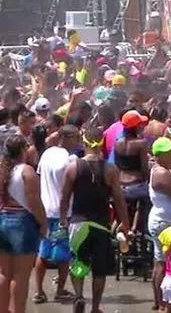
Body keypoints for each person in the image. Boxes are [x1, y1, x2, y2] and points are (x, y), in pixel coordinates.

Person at [59, 127, 131, 313]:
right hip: (101, 225)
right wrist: (125, 223)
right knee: (99, 269)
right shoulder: (110, 169)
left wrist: (62, 219)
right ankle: (96, 307)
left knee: (78, 262)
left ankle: (79, 295)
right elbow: (119, 200)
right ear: (102, 144)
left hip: (78, 223)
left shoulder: (73, 167)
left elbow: (64, 197)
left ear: (84, 142)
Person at [0, 135, 48, 313]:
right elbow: (34, 202)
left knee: (4, 272)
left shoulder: (2, 170)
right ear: (21, 150)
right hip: (22, 222)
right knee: (21, 275)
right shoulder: (26, 171)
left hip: (3, 219)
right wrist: (43, 224)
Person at [34, 125, 80, 304]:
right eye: (76, 137)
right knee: (64, 255)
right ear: (65, 138)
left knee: (43, 252)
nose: (79, 140)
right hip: (64, 213)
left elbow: (39, 177)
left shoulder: (47, 153)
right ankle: (60, 290)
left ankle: (38, 291)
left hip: (45, 210)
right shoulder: (71, 159)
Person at [148, 137, 171, 311]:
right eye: (170, 153)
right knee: (164, 263)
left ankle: (160, 301)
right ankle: (163, 302)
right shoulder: (162, 173)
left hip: (162, 219)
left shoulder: (163, 169)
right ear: (161, 155)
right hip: (165, 222)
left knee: (159, 261)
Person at [115, 110, 151, 233]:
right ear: (135, 127)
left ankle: (119, 228)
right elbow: (144, 169)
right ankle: (137, 230)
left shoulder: (117, 143)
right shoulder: (141, 144)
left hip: (120, 186)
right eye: (140, 124)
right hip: (136, 185)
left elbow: (118, 166)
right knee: (145, 203)